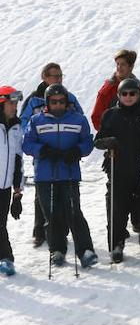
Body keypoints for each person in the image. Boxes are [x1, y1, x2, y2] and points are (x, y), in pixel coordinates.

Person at [22, 83, 98, 268]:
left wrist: (77, 151)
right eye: (54, 102)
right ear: (47, 102)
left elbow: (88, 142)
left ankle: (85, 250)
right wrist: (43, 150)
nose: (58, 105)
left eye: (61, 102)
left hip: (69, 173)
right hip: (45, 176)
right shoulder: (37, 120)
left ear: (66, 102)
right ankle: (57, 250)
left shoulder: (78, 120)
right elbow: (27, 144)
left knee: (74, 212)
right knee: (52, 215)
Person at [94, 77, 140, 263]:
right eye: (124, 94)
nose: (129, 97)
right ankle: (116, 245)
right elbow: (97, 140)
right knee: (117, 210)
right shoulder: (111, 114)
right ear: (119, 95)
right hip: (118, 169)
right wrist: (108, 142)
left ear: (138, 94)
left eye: (133, 93)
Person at [0, 86, 24, 276]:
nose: (15, 107)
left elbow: (18, 159)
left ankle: (5, 259)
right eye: (11, 103)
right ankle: (7, 258)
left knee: (1, 224)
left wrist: (18, 192)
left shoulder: (16, 127)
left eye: (16, 103)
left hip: (5, 186)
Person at [90, 49, 139, 130]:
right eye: (117, 64)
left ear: (131, 66)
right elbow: (96, 117)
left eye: (123, 64)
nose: (119, 67)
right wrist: (108, 134)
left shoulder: (138, 86)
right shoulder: (108, 89)